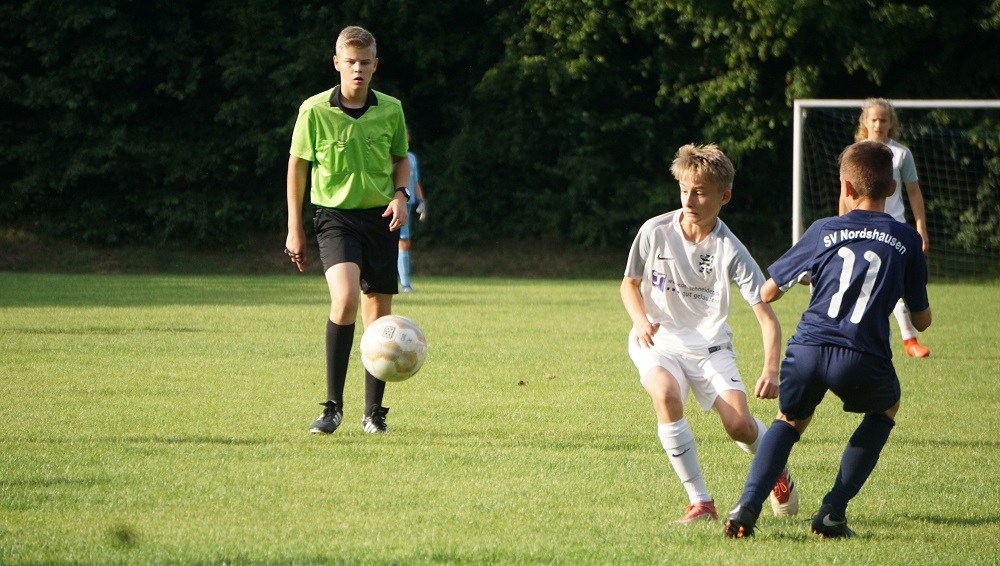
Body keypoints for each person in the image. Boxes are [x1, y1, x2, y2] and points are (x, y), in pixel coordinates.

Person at [724, 140, 932, 539]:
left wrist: (808, 275)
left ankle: (747, 505)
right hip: (861, 354)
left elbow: (767, 292)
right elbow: (920, 322)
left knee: (789, 421)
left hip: (808, 349)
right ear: (892, 189)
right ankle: (833, 511)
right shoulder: (906, 240)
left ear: (847, 189)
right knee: (886, 408)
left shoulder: (824, 229)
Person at [620, 143, 799, 524]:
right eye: (685, 189)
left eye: (700, 192)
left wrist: (770, 369)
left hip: (711, 347)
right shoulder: (654, 230)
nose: (690, 199)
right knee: (666, 395)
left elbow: (767, 317)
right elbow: (628, 285)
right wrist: (639, 321)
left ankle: (776, 471)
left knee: (739, 425)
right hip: (659, 341)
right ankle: (700, 502)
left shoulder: (729, 248)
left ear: (724, 196)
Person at [285, 25, 410, 435]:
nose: (357, 69)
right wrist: (294, 228)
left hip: (380, 219)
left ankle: (373, 413)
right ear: (337, 63)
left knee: (379, 320)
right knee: (344, 300)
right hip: (334, 218)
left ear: (376, 65)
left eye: (365, 62)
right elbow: (297, 168)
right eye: (350, 62)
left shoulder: (391, 108)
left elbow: (400, 159)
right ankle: (332, 407)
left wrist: (400, 195)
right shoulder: (314, 110)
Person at [839, 98, 931, 358]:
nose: (878, 124)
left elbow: (913, 192)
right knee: (859, 282)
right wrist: (841, 223)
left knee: (898, 283)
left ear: (892, 123)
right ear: (865, 122)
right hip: (859, 228)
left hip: (894, 230)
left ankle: (910, 340)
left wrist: (921, 227)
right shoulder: (855, 153)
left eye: (883, 120)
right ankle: (853, 336)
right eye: (874, 119)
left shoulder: (901, 154)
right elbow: (844, 193)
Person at [398, 129, 426, 292]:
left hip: (407, 204)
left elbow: (415, 181)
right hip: (392, 203)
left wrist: (421, 201)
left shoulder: (412, 158)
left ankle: (405, 282)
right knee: (396, 242)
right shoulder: (390, 156)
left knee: (405, 242)